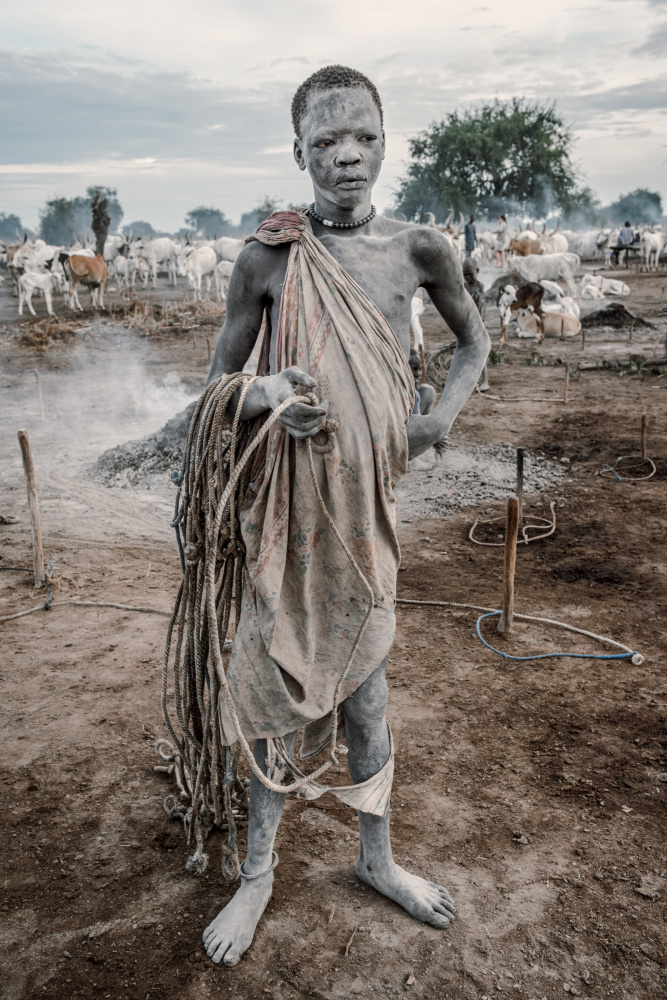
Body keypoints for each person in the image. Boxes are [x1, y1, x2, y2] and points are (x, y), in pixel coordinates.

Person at [201, 64, 490, 967]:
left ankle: (378, 859)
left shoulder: (419, 249)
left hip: (367, 521)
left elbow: (473, 340)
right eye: (324, 142)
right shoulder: (268, 257)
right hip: (284, 520)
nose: (346, 156)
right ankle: (257, 875)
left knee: (367, 700)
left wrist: (438, 417)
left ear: (383, 138)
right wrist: (267, 398)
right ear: (298, 153)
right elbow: (216, 385)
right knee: (275, 691)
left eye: (361, 135)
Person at [462, 258, 489, 391]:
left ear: (477, 271)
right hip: (466, 324)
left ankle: (485, 380)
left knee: (480, 352)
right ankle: (470, 381)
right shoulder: (463, 287)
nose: (467, 277)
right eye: (465, 274)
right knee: (466, 354)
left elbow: (482, 307)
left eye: (470, 274)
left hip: (478, 324)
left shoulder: (481, 287)